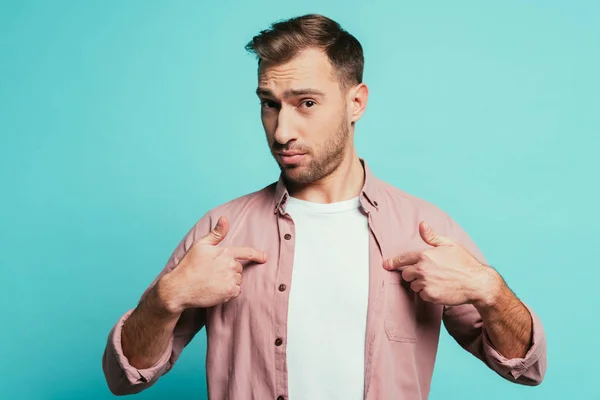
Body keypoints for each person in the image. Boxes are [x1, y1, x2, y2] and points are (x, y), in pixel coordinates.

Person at [102, 13, 547, 400]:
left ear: (356, 102)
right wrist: (166, 299)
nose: (281, 132)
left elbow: (526, 367)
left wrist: (489, 290)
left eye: (306, 103)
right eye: (269, 105)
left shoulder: (423, 228)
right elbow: (125, 378)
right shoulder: (222, 231)